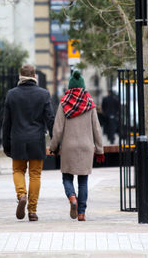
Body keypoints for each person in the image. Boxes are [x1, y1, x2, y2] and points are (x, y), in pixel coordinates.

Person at [49, 70, 104, 222]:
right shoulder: (90, 104)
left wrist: (53, 147)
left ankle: (72, 197)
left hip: (68, 147)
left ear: (70, 87)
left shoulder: (64, 104)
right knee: (83, 181)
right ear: (83, 87)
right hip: (86, 147)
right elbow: (97, 129)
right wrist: (99, 150)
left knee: (67, 178)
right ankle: (81, 213)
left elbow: (57, 129)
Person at [2, 64, 55, 222]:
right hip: (36, 140)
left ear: (20, 76)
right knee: (35, 175)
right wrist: (55, 141)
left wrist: (6, 144)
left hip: (17, 140)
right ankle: (32, 210)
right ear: (35, 77)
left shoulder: (11, 94)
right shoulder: (44, 94)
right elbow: (50, 120)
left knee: (18, 171)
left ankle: (21, 195)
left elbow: (6, 123)